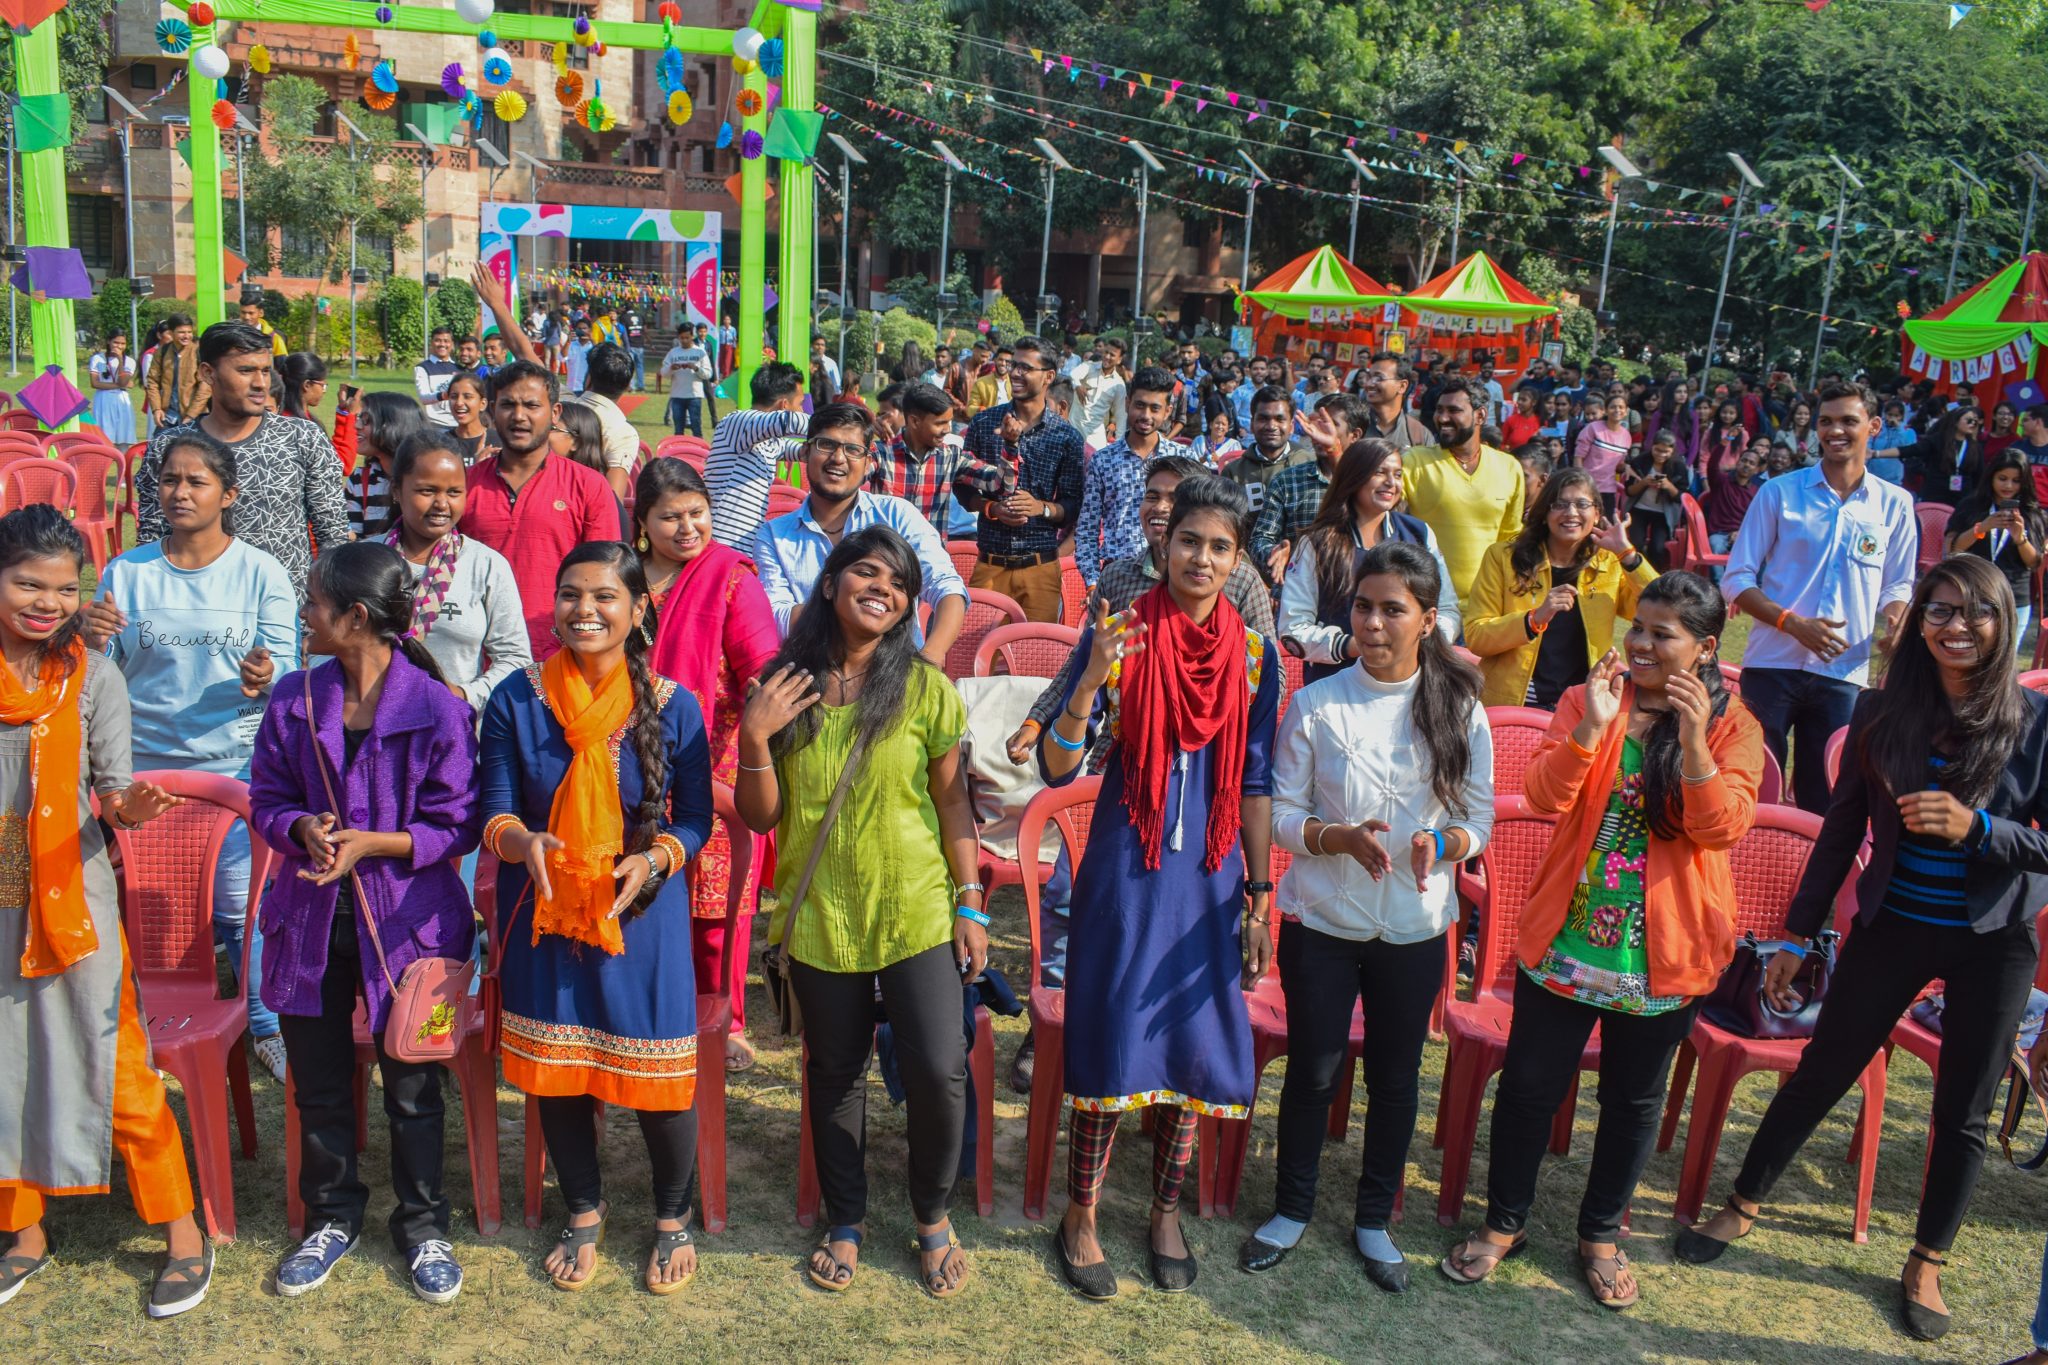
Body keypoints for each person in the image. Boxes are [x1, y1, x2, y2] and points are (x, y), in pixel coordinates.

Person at [1676, 556, 2048, 1342]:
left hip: (1993, 940)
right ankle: (1742, 1201)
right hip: (1893, 926)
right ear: (1919, 623)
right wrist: (1798, 933)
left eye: (1975, 611)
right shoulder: (1882, 711)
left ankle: (1927, 1258)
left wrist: (1979, 828)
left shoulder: (2034, 722)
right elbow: (1842, 829)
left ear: (2002, 621)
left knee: (1964, 1110)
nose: (1955, 625)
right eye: (1939, 609)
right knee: (1823, 1069)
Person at [1446, 572, 1761, 1310]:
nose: (1640, 643)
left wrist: (1693, 744)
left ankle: (1599, 1237)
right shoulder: (1592, 698)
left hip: (1664, 955)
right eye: (1637, 627)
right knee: (1528, 1089)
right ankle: (1503, 1223)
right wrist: (1591, 725)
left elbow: (1721, 828)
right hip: (1567, 939)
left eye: (1661, 633)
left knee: (1632, 1101)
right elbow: (1543, 795)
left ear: (1705, 647)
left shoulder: (1732, 726)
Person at [1040, 476, 1278, 1299]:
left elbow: (1255, 782)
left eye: (1219, 547)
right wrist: (1088, 679)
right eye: (1188, 541)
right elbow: (1058, 767)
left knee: (1190, 1037)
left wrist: (1260, 895)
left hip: (1210, 873)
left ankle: (1165, 1212)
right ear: (1163, 543)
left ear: (1237, 559)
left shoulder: (1256, 656)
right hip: (1127, 865)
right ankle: (1081, 1214)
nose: (1201, 559)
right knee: (1112, 1032)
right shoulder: (1121, 633)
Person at [733, 526, 982, 1297]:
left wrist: (971, 901)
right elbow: (761, 816)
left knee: (939, 1067)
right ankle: (845, 1218)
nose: (884, 588)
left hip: (915, 907)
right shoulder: (785, 685)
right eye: (867, 572)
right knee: (835, 1071)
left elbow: (952, 803)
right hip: (820, 913)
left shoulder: (924, 686)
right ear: (830, 583)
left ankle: (933, 1216)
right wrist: (754, 734)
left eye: (900, 583)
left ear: (908, 606)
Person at [1250, 540, 1492, 1290]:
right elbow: (1281, 814)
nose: (1374, 623)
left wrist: (1440, 844)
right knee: (1313, 1071)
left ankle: (1373, 1219)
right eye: (1363, 606)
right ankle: (1291, 1208)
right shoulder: (1316, 703)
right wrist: (1338, 839)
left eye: (1393, 609)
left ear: (1428, 620)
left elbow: (1478, 818)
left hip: (1414, 928)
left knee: (1395, 1078)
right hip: (1321, 923)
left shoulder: (1460, 706)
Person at [249, 542, 480, 1304]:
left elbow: (459, 822)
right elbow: (265, 797)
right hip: (308, 923)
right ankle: (332, 1216)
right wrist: (299, 827)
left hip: (414, 931)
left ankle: (424, 1224)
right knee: (318, 1084)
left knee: (414, 1088)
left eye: (313, 602)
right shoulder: (293, 699)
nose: (303, 614)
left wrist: (375, 843)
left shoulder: (438, 708)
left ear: (354, 617)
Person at [481, 542, 715, 1294]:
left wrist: (656, 860)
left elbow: (698, 818)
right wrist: (522, 843)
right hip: (545, 907)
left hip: (640, 913)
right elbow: (494, 811)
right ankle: (584, 1208)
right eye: (571, 595)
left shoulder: (674, 704)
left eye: (605, 596)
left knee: (658, 1077)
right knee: (557, 1074)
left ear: (638, 609)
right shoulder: (516, 699)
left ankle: (673, 1216)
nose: (585, 610)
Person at [0, 506, 206, 1319]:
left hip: (71, 895)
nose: (47, 604)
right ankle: (23, 1232)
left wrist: (131, 809)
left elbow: (113, 792)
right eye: (28, 585)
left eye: (64, 589)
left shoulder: (93, 676)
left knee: (117, 1067)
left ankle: (183, 1235)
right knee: (2, 1063)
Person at [86, 429, 298, 1079]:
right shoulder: (128, 572)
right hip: (142, 773)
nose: (179, 492)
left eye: (196, 481)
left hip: (231, 771)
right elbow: (101, 668)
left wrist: (267, 673)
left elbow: (288, 667)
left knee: (239, 908)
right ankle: (134, 1026)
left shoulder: (260, 572)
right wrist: (89, 637)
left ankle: (265, 1024)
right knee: (149, 908)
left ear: (227, 494)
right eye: (169, 480)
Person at [638, 459, 779, 1071]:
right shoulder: (621, 576)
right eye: (670, 516)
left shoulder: (729, 577)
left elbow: (763, 666)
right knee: (645, 891)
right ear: (642, 523)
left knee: (719, 906)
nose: (688, 527)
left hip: (713, 761)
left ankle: (728, 1020)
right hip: (628, 761)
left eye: (698, 513)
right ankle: (654, 1010)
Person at [1723, 382, 1915, 813]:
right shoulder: (1779, 492)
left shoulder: (1895, 505)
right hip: (1772, 664)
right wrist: (1791, 623)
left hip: (1844, 671)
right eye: (1826, 421)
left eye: (1848, 421)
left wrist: (1897, 620)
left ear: (1874, 426)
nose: (1835, 431)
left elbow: (1898, 585)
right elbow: (1736, 579)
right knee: (1750, 786)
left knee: (1826, 799)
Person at [136, 322, 350, 600]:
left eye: (265, 371)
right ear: (208, 373)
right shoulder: (170, 447)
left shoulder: (301, 437)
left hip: (285, 611)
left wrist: (326, 607)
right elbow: (152, 537)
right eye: (245, 370)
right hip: (193, 606)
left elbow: (332, 534)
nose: (260, 383)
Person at [752, 403, 967, 663]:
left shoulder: (897, 516)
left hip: (896, 669)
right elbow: (778, 616)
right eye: (826, 445)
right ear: (806, 452)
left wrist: (931, 657)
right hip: (814, 671)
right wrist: (858, 608)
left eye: (853, 449)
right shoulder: (774, 536)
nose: (838, 458)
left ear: (867, 463)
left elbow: (946, 587)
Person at [461, 361, 620, 658]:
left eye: (532, 405)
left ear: (555, 412)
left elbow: (604, 575)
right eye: (508, 405)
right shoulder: (464, 485)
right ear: (492, 411)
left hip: (559, 653)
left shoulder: (588, 485)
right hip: (475, 655)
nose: (519, 416)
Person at [1465, 469, 1657, 710]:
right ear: (1545, 513)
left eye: (1582, 504)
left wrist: (1628, 556)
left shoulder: (1609, 563)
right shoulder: (1504, 558)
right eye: (1560, 504)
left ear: (1597, 513)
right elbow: (1477, 637)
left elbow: (1664, 607)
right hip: (1515, 704)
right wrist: (1533, 620)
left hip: (1583, 705)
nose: (1571, 512)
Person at [1279, 438, 1461, 684]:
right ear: (1354, 476)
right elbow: (1293, 628)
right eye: (1379, 472)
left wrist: (1420, 642)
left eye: (1398, 474)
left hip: (1409, 681)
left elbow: (1447, 609)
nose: (1391, 482)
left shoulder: (1419, 534)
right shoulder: (1317, 544)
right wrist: (1356, 646)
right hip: (1338, 684)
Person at [383, 432, 529, 710]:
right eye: (427, 491)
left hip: (456, 724)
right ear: (396, 490)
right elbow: (329, 645)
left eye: (453, 492)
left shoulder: (486, 565)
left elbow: (515, 658)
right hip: (369, 723)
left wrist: (463, 695)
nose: (442, 503)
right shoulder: (365, 559)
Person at [956, 337, 1085, 623]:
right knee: (977, 647)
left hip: (1040, 568)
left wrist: (1041, 508)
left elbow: (1073, 506)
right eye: (1014, 365)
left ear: (1048, 376)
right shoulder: (984, 424)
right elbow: (962, 488)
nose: (1015, 373)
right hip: (990, 564)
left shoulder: (1066, 437)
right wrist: (992, 508)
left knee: (1036, 649)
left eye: (1025, 368)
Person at [1401, 376, 1527, 606]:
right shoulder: (1414, 461)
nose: (1442, 418)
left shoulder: (1509, 467)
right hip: (1429, 603)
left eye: (1453, 410)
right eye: (1439, 410)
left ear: (1480, 415)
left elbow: (1510, 539)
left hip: (1487, 604)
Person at [1074, 366, 1187, 589]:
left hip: (1171, 575)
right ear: (1127, 404)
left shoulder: (1183, 458)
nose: (1146, 415)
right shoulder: (1103, 460)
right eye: (1140, 405)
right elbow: (1087, 529)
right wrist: (1093, 582)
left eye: (1155, 408)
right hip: (1118, 575)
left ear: (1167, 412)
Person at [1251, 396, 1372, 582]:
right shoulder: (1287, 481)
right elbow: (1260, 539)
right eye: (1316, 424)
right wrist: (1275, 553)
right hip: (1296, 587)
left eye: (1329, 425)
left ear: (1354, 435)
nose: (1318, 433)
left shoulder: (1371, 483)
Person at [705, 361, 811, 549]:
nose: (803, 411)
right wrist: (835, 426)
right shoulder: (736, 423)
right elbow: (791, 421)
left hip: (743, 549)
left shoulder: (771, 442)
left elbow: (802, 452)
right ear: (784, 405)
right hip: (721, 548)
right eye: (800, 404)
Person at [1947, 450, 2046, 648]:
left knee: (2004, 656)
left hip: (2014, 598)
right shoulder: (1971, 506)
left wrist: (2020, 538)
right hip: (1973, 592)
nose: (2008, 486)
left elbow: (2035, 562)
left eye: (2016, 481)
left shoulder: (2032, 514)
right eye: (2002, 478)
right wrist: (1982, 528)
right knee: (1971, 653)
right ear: (1991, 477)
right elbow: (1953, 548)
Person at [865, 381, 968, 533]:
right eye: (940, 423)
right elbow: (849, 475)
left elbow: (995, 482)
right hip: (887, 547)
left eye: (884, 414)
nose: (947, 429)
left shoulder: (951, 455)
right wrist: (864, 435)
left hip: (935, 546)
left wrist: (1006, 444)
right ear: (914, 421)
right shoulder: (880, 453)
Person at [1222, 386, 1316, 520]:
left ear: (1291, 426)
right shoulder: (1233, 472)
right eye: (1263, 419)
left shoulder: (1311, 464)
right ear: (1252, 425)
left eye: (1280, 419)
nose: (1271, 426)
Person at [347, 391, 428, 542]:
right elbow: (354, 540)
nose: (356, 425)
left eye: (366, 421)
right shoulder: (360, 480)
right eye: (359, 419)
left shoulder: (425, 479)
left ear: (393, 427)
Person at [579, 342, 641, 498]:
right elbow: (613, 499)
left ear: (589, 378)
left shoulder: (557, 410)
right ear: (628, 385)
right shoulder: (622, 432)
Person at [1621, 428, 1688, 571]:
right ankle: (1634, 572)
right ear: (1652, 446)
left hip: (1663, 513)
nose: (1661, 455)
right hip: (1639, 509)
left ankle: (1654, 574)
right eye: (1657, 450)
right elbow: (1629, 491)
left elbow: (1681, 497)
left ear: (1672, 450)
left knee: (1657, 547)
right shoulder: (1640, 461)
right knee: (1636, 544)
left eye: (1666, 452)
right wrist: (1644, 482)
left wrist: (1668, 486)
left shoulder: (1678, 466)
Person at [1907, 405, 1985, 508]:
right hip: (1935, 494)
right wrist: (1929, 474)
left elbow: (1978, 475)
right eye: (1969, 420)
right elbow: (1914, 455)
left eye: (1975, 421)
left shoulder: (1975, 447)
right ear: (1955, 421)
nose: (1973, 424)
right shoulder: (1938, 440)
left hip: (1962, 497)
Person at [1574, 392, 1637, 513]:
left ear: (1626, 411)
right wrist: (1581, 482)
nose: (1617, 410)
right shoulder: (1593, 428)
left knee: (1606, 522)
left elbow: (1618, 465)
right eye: (1613, 407)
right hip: (1587, 486)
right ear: (1605, 411)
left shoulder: (1626, 436)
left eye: (1621, 407)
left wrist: (1626, 467)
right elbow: (1578, 458)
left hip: (1608, 489)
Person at [142, 315, 207, 431]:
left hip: (195, 417)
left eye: (189, 332)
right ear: (171, 333)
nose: (186, 336)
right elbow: (152, 381)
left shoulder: (199, 351)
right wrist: (156, 409)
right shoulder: (162, 351)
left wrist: (191, 415)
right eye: (181, 332)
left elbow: (205, 386)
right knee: (159, 442)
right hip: (168, 417)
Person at [1357, 352, 1431, 449]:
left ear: (1402, 386)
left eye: (1379, 378)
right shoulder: (1353, 426)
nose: (1369, 384)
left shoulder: (1418, 434)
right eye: (1369, 377)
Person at [1073, 336, 1128, 447]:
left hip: (1095, 435)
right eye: (1106, 352)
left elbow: (1121, 416)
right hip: (1075, 427)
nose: (1107, 357)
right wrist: (1077, 385)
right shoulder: (1089, 367)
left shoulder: (1119, 385)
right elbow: (1073, 375)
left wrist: (1119, 445)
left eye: (1112, 355)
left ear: (1119, 360)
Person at [88, 330, 137, 445]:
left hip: (122, 399)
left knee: (123, 437)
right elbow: (95, 383)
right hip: (103, 399)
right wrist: (119, 385)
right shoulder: (98, 359)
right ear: (108, 342)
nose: (119, 346)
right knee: (104, 437)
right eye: (116, 342)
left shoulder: (129, 361)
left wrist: (120, 360)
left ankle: (122, 456)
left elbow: (123, 380)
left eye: (123, 343)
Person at [661, 328, 713, 438]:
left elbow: (708, 374)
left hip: (694, 395)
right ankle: (679, 448)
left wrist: (696, 368)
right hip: (677, 395)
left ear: (692, 336)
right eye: (682, 338)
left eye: (687, 338)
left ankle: (699, 448)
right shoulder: (673, 353)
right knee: (678, 430)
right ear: (678, 338)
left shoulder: (700, 352)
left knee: (696, 428)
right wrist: (671, 368)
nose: (684, 340)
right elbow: (663, 373)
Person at [442, 371, 497, 467]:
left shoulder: (499, 441)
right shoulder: (442, 443)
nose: (459, 403)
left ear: (482, 404)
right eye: (454, 397)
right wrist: (477, 466)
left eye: (467, 397)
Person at [414, 328, 460, 427]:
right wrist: (443, 395)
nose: (442, 344)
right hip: (436, 425)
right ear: (431, 343)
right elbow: (423, 398)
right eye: (438, 340)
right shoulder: (422, 368)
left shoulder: (459, 368)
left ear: (452, 344)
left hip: (458, 424)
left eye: (446, 341)